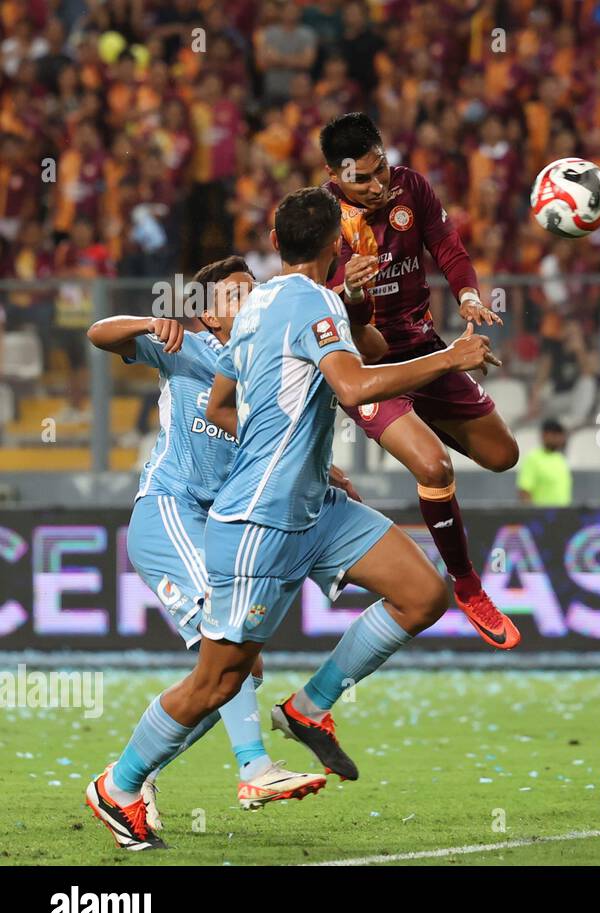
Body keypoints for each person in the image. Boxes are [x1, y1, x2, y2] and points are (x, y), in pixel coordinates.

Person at [85, 187, 499, 850]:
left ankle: (308, 709)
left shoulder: (265, 310)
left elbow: (225, 402)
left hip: (314, 506)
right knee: (221, 677)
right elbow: (356, 386)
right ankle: (122, 784)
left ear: (274, 247)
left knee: (421, 594)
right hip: (259, 521)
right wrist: (451, 357)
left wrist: (297, 452)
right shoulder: (297, 304)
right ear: (337, 244)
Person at [86, 256, 327, 826]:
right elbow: (98, 333)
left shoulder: (265, 367)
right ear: (207, 312)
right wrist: (149, 323)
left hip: (219, 526)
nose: (250, 298)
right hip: (170, 509)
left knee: (237, 668)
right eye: (235, 292)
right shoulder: (183, 347)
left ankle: (124, 782)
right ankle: (254, 769)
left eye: (254, 289)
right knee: (226, 639)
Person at [319, 113, 522, 650]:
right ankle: (467, 585)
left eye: (380, 167)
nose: (378, 183)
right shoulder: (319, 220)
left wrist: (470, 296)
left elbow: (449, 248)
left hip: (425, 348)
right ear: (334, 176)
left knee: (504, 456)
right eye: (362, 178)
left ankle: (426, 420)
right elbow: (315, 308)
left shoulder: (413, 188)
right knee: (434, 465)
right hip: (368, 369)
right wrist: (347, 294)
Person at [516, 419, 573, 506]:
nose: (559, 439)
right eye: (554, 435)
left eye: (559, 435)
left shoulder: (561, 459)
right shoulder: (533, 459)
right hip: (541, 517)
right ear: (544, 435)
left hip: (563, 516)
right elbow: (525, 491)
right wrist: (530, 516)